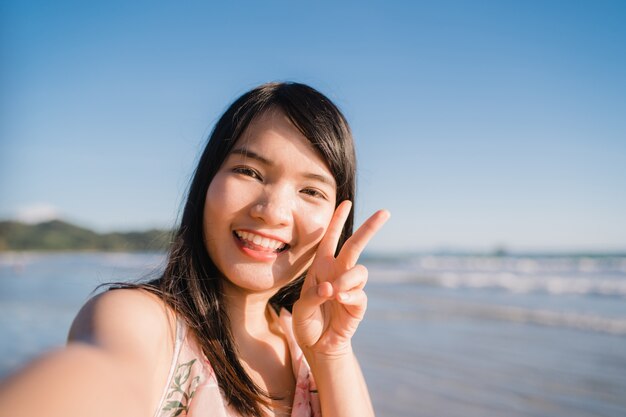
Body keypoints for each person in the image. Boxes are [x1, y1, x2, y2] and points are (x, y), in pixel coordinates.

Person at [0, 82, 389, 417]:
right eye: (249, 171)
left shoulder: (315, 347)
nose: (272, 212)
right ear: (207, 182)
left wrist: (331, 354)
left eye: (310, 191)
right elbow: (93, 380)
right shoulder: (142, 321)